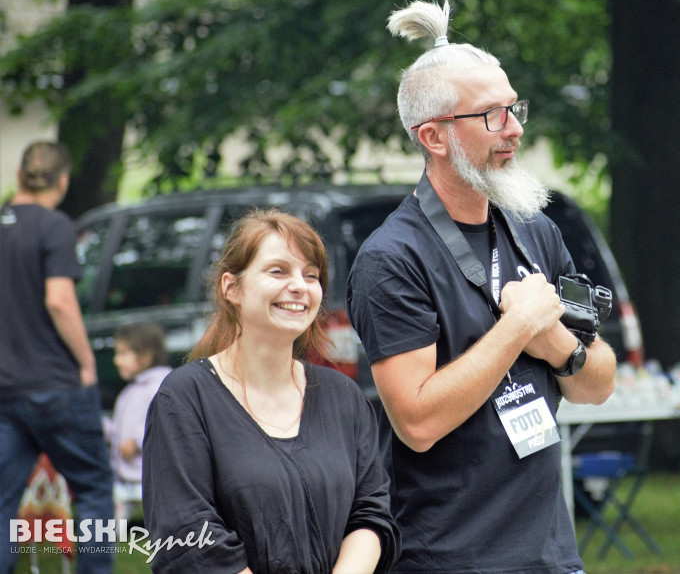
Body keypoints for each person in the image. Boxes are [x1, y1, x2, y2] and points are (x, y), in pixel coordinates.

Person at [346, 0, 617, 574]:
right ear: (435, 138)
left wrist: (557, 346)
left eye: (515, 107)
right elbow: (417, 424)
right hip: (451, 557)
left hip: (550, 556)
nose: (515, 128)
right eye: (492, 115)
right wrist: (518, 328)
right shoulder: (392, 259)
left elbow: (599, 383)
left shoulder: (535, 231)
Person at [142, 209, 399, 573]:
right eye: (278, 271)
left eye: (311, 275)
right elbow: (187, 536)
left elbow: (371, 512)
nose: (299, 285)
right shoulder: (184, 399)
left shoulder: (344, 397)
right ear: (231, 287)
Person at [0, 140, 116, 574]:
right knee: (93, 489)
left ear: (19, 177)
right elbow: (60, 300)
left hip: (5, 391)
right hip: (56, 387)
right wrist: (86, 363)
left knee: (2, 499)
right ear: (63, 181)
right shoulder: (55, 227)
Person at [105, 322, 172, 522]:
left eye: (124, 354)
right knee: (112, 521)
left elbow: (163, 422)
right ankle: (103, 546)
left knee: (163, 521)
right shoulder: (128, 392)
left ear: (146, 356)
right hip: (126, 476)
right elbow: (119, 429)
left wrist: (136, 441)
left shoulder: (162, 385)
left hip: (151, 476)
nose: (117, 361)